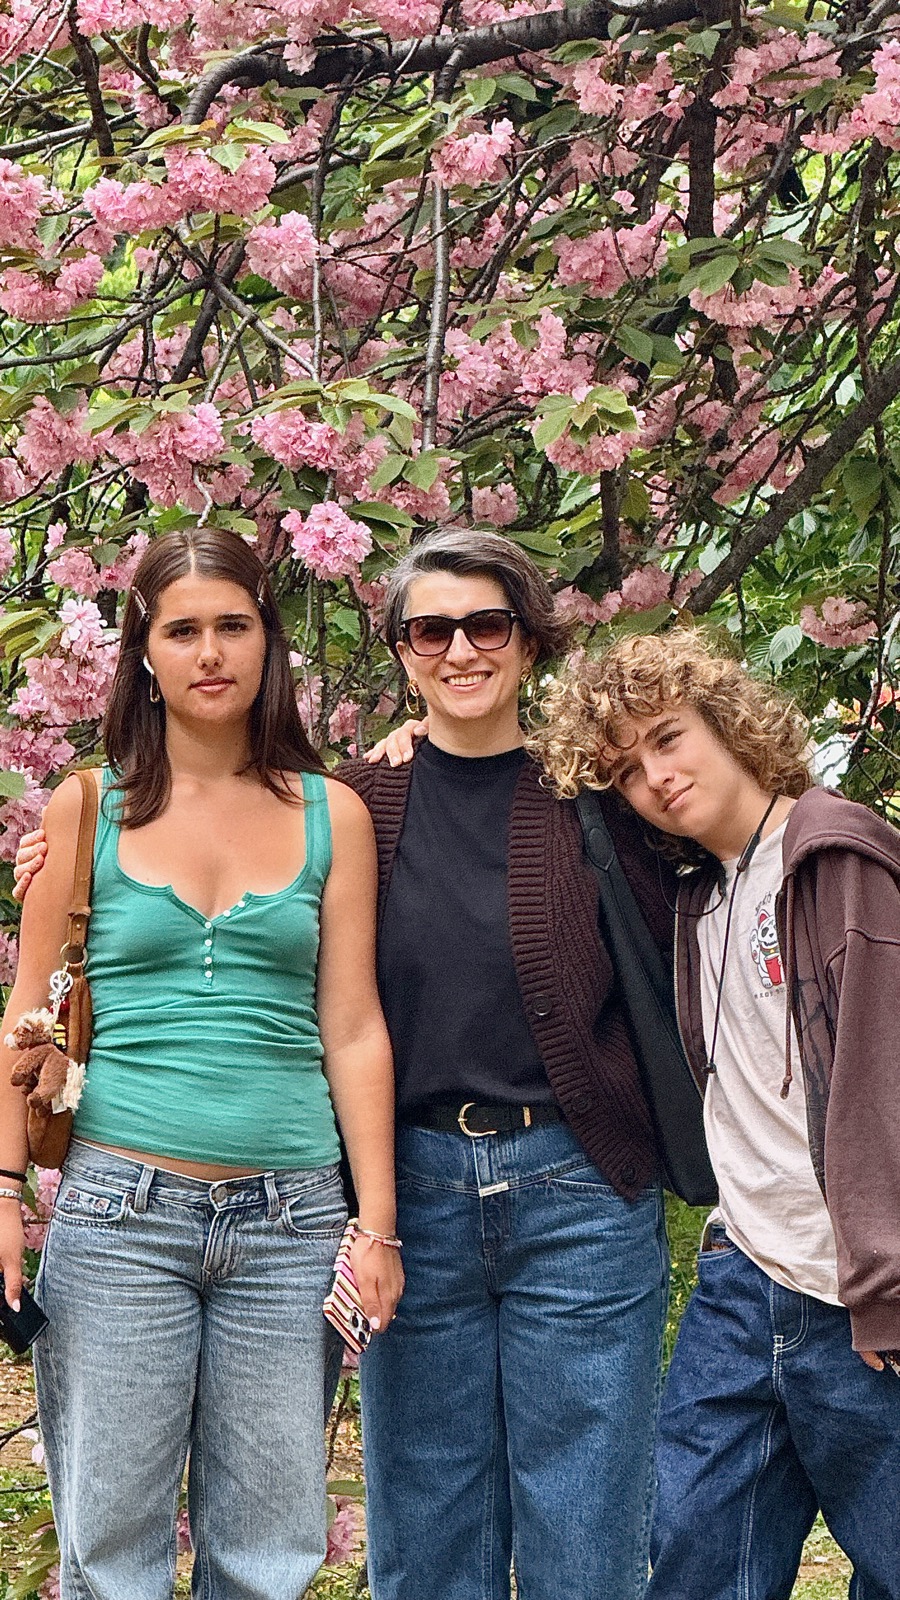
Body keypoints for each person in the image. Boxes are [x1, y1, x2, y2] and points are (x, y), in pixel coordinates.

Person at [16, 528, 673, 1600]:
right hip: (293, 1192)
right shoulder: (342, 797)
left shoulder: (577, 800)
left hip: (522, 1196)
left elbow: (705, 896)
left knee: (570, 1526)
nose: (460, 649)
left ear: (530, 638)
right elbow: (42, 1006)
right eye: (430, 629)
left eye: (487, 623)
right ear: (403, 653)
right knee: (410, 1521)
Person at [0, 527, 402, 1600]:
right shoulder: (85, 807)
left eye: (234, 624)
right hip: (119, 1214)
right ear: (143, 650)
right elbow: (26, 1020)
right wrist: (2, 1193)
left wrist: (376, 1224)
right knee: (111, 1548)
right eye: (182, 629)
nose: (210, 651)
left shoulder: (334, 815)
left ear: (269, 642)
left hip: (293, 1222)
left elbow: (354, 1026)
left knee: (269, 1553)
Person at [535, 630, 900, 1600]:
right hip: (744, 1282)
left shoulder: (836, 856)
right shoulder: (705, 894)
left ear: (726, 719)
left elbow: (879, 1086)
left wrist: (886, 1284)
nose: (656, 775)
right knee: (698, 1558)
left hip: (856, 1293)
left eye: (668, 736)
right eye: (625, 768)